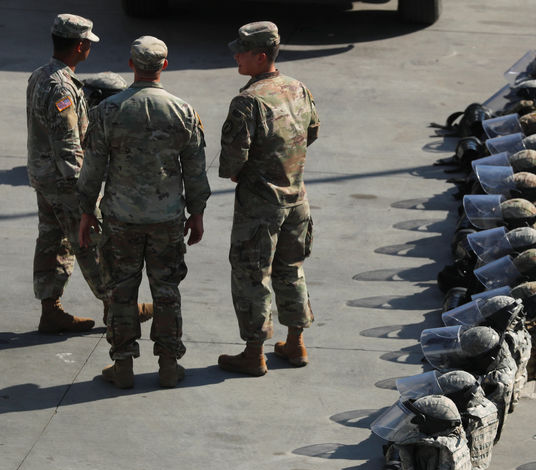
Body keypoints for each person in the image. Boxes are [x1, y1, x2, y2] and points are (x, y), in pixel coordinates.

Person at [77, 36, 210, 389]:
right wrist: (196, 213)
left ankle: (122, 366)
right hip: (167, 219)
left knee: (121, 290)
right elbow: (195, 171)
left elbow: (92, 169)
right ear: (164, 66)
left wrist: (86, 211)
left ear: (132, 64)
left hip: (121, 218)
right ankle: (168, 365)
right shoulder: (183, 111)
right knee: (166, 289)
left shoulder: (107, 111)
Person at [217, 21, 319, 376]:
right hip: (297, 198)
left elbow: (232, 163)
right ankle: (295, 342)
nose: (235, 56)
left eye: (241, 51)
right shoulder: (297, 87)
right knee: (291, 270)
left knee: (251, 275)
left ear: (260, 57)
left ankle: (253, 352)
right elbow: (312, 131)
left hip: (260, 206)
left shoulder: (247, 101)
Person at [26, 14, 105, 334]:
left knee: (51, 240)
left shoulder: (40, 75)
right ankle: (117, 307)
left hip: (43, 176)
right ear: (81, 45)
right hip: (63, 181)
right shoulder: (62, 88)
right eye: (88, 43)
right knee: (90, 242)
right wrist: (86, 199)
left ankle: (50, 309)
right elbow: (69, 146)